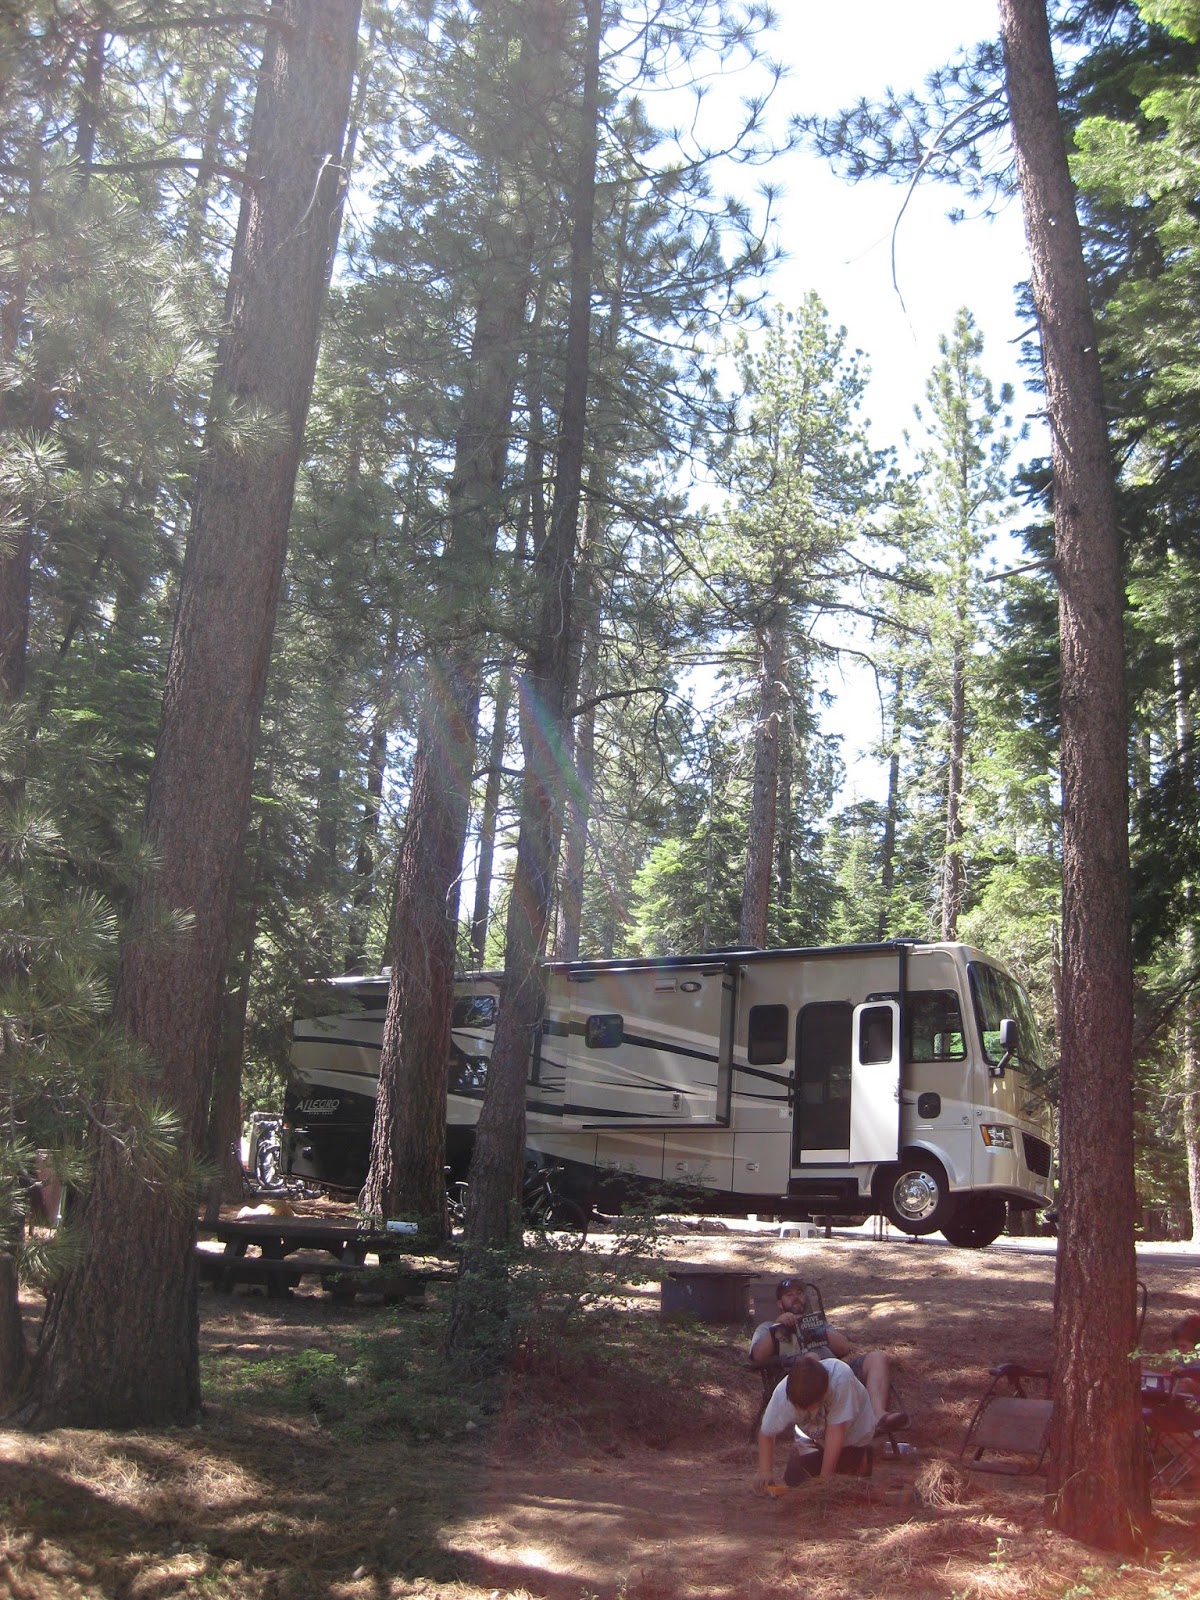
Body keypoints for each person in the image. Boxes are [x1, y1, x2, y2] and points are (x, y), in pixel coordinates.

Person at [749, 1278, 906, 1434]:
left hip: (837, 1374)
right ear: (780, 1304)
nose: (796, 1297)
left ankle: (877, 1416)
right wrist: (778, 1327)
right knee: (811, 1359)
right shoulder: (767, 1327)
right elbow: (757, 1357)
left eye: (799, 1293)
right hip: (797, 1380)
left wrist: (817, 1331)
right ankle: (822, 1424)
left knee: (877, 1357)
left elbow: (844, 1348)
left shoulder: (818, 1324)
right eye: (789, 1295)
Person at [755, 1355, 876, 1487]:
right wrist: (765, 1471)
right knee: (795, 1481)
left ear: (823, 1394)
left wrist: (824, 1481)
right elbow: (766, 1433)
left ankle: (862, 1458)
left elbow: (836, 1432)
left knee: (841, 1483)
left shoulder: (841, 1378)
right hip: (817, 1438)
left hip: (854, 1434)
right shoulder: (782, 1395)